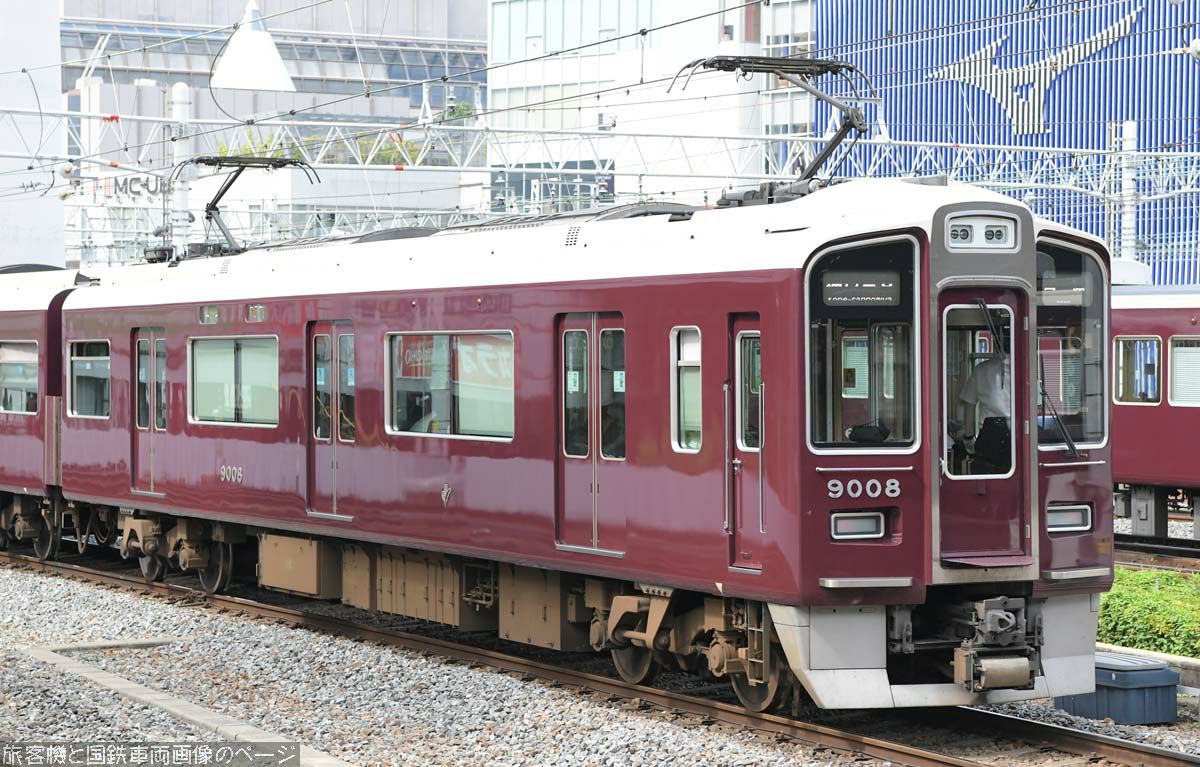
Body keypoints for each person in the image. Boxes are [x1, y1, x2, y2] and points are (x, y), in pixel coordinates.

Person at [959, 341, 1012, 475]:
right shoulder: (1027, 367)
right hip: (1019, 436)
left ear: (995, 343)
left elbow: (969, 404)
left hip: (989, 439)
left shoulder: (981, 369)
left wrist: (968, 438)